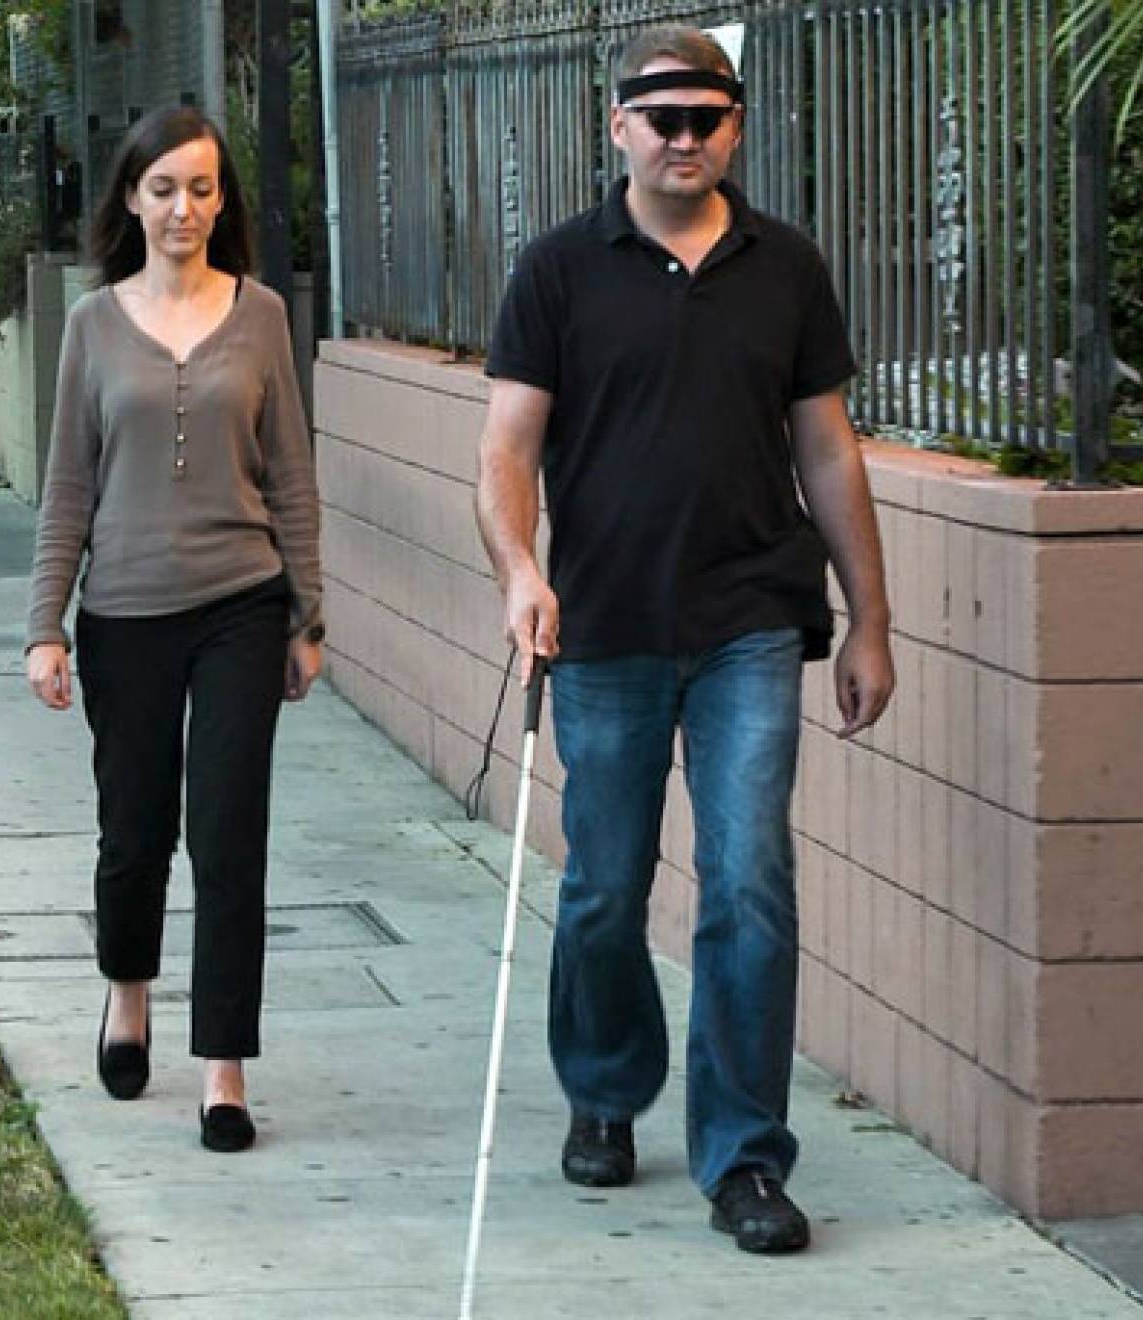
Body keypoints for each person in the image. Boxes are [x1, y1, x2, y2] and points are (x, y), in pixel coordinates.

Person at [475, 25, 894, 1251]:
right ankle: (604, 1094)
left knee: (750, 881)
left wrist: (871, 617)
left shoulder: (787, 268)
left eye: (708, 117)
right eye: (662, 118)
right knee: (605, 887)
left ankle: (745, 1161)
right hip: (600, 624)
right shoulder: (559, 269)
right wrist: (519, 570)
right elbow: (506, 447)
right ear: (618, 129)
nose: (685, 137)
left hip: (751, 620)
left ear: (737, 127)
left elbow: (828, 447)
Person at [25, 106, 324, 1154]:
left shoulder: (263, 318)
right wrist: (45, 626)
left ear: (222, 200)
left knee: (230, 835)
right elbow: (68, 485)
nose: (184, 208)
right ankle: (127, 993)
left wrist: (307, 610)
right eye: (164, 189)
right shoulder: (92, 325)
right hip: (124, 614)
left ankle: (223, 1070)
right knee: (136, 831)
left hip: (241, 602)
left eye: (201, 188)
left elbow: (291, 471)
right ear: (132, 201)